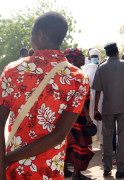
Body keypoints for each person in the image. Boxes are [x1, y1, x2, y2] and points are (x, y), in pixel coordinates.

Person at [1, 11, 89, 179]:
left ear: (40, 34)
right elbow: (58, 135)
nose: (31, 39)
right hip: (49, 169)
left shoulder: (12, 70)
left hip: (14, 169)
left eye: (31, 34)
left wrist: (4, 161)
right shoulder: (78, 78)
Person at [92, 42, 124, 178]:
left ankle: (106, 169)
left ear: (107, 54)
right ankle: (121, 170)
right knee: (123, 137)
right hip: (123, 106)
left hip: (107, 107)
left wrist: (96, 109)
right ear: (117, 51)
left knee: (107, 138)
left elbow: (97, 90)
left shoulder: (101, 67)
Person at [63, 48, 94, 180]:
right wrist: (87, 116)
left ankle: (64, 170)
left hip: (66, 117)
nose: (84, 57)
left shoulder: (64, 73)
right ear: (74, 59)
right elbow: (79, 99)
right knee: (81, 144)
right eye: (81, 55)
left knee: (68, 144)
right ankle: (76, 173)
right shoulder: (78, 74)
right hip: (79, 116)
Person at [82, 49, 103, 148]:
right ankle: (90, 142)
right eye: (92, 56)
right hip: (89, 97)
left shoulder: (103, 68)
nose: (94, 58)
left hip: (101, 96)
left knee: (101, 117)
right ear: (90, 57)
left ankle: (102, 140)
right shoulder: (85, 68)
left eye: (96, 56)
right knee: (90, 117)